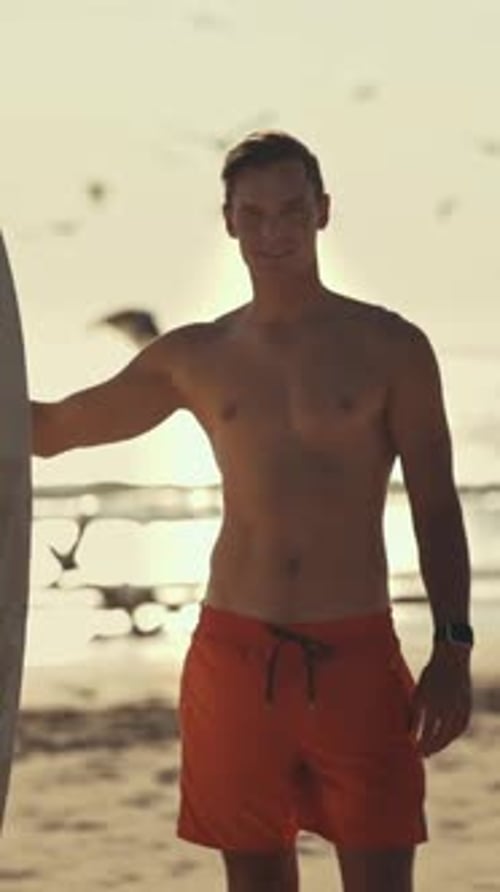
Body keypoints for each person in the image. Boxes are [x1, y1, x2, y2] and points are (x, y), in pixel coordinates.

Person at [32, 131, 473, 892]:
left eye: (292, 211)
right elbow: (53, 430)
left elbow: (436, 504)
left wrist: (454, 646)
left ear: (323, 212)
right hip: (233, 656)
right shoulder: (196, 356)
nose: (275, 232)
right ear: (229, 220)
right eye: (256, 214)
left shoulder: (392, 347)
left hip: (356, 657)